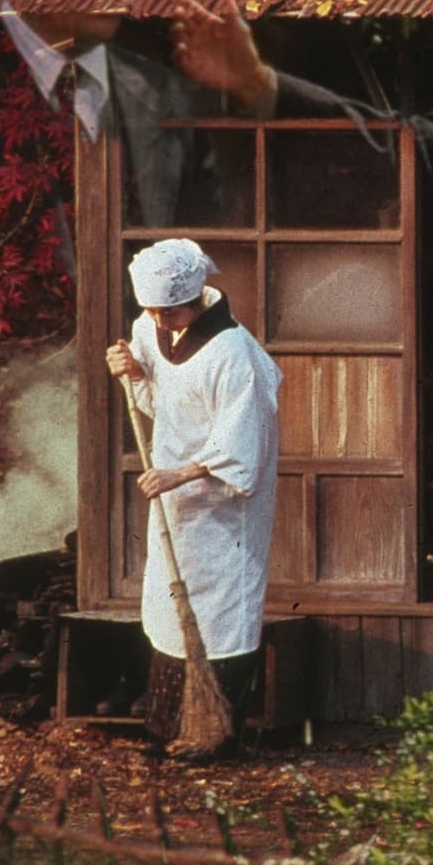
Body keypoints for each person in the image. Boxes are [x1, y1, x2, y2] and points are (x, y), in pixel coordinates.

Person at [105, 239, 282, 760]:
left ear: (196, 298)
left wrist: (181, 474)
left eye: (170, 312)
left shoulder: (234, 354)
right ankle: (165, 730)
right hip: (174, 498)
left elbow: (244, 444)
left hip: (222, 504)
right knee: (169, 606)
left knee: (221, 612)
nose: (160, 322)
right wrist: (133, 371)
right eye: (152, 311)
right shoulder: (149, 328)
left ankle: (217, 736)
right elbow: (162, 403)